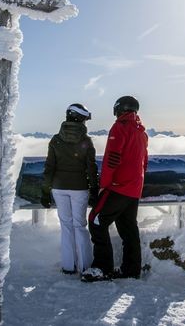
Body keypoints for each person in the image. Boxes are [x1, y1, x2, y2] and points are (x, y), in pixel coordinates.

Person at [83, 95, 149, 282]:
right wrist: (136, 183)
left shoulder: (120, 127)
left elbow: (111, 159)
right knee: (128, 228)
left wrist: (103, 185)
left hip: (118, 187)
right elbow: (144, 162)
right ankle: (131, 270)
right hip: (134, 189)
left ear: (119, 109)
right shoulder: (141, 132)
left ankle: (102, 268)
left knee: (96, 220)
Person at [41, 103, 99, 275]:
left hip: (59, 188)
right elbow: (91, 168)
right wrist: (94, 190)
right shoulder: (86, 141)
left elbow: (49, 167)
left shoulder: (55, 140)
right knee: (79, 225)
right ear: (80, 119)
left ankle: (68, 266)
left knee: (66, 226)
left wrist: (45, 192)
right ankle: (85, 266)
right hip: (79, 188)